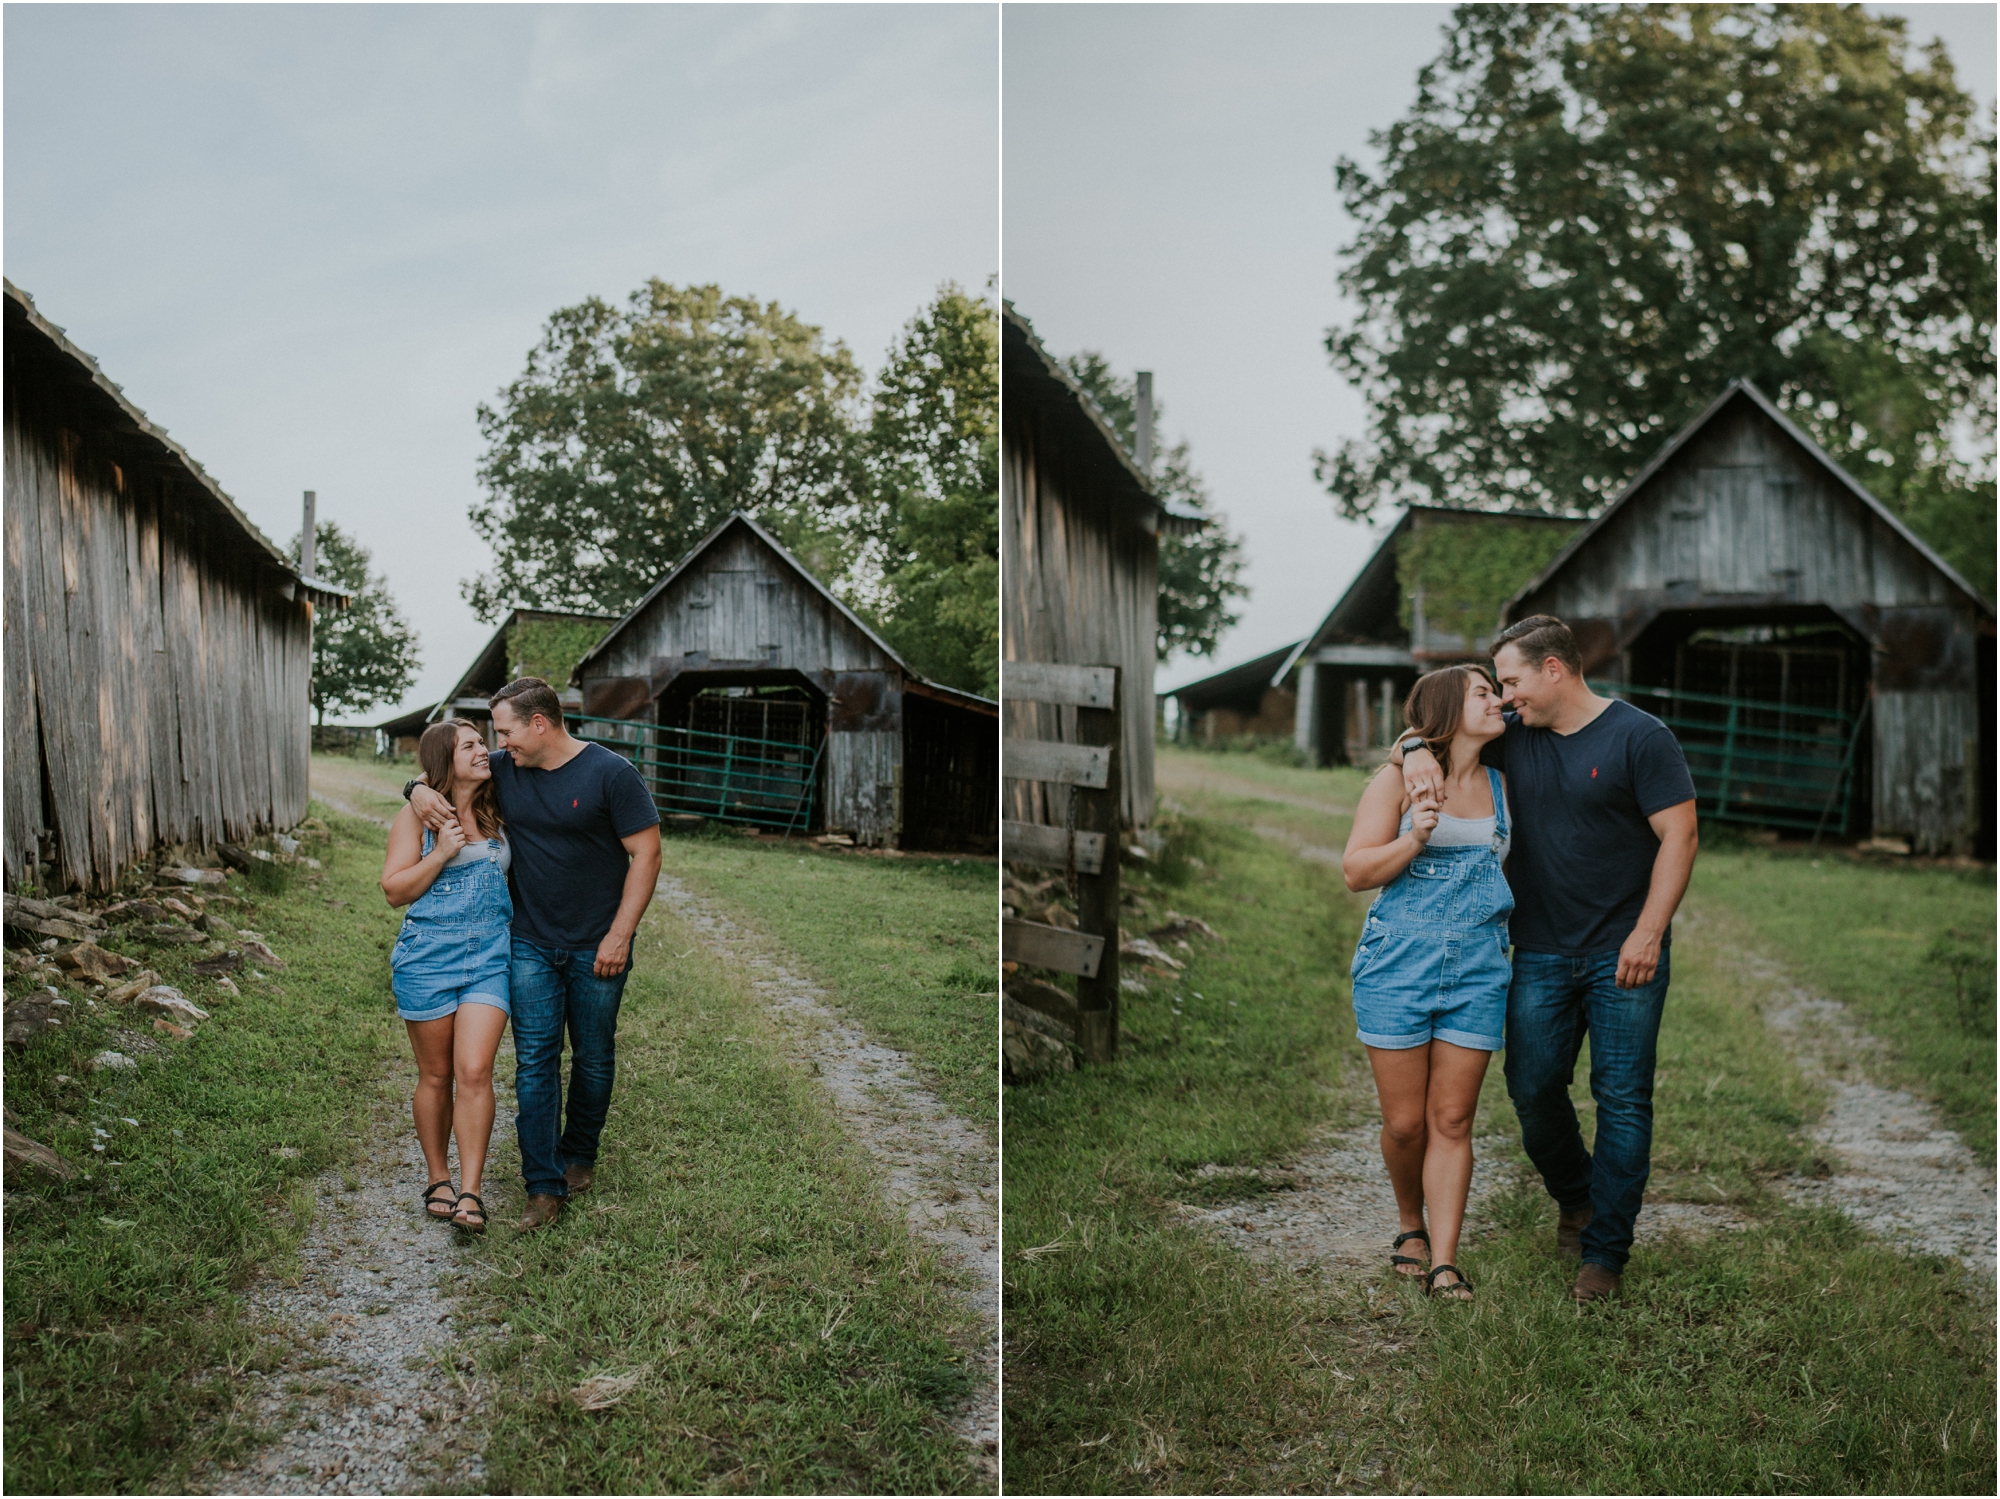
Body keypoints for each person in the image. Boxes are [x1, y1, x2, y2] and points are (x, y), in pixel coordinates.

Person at [1397, 616, 1698, 1302]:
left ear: (1554, 669)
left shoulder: (1640, 737)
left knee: (1622, 1099)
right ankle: (1578, 1196)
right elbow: (1441, 727)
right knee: (1533, 1088)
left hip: (1626, 948)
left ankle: (1604, 1256)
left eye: (1512, 679)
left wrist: (1648, 932)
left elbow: (1679, 834)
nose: (1503, 696)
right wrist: (1415, 745)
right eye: (1497, 685)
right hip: (1536, 949)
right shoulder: (1514, 740)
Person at [408, 678, 662, 1232]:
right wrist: (413, 788)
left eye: (505, 731)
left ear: (539, 724)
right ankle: (542, 1186)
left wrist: (620, 934)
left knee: (593, 1057)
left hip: (599, 943)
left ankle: (579, 1156)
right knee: (535, 1064)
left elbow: (646, 853)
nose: (499, 744)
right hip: (526, 942)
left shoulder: (612, 775)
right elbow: (443, 771)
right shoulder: (506, 767)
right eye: (494, 736)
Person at [1343, 665, 1513, 1301]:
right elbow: (1357, 871)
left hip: (1479, 969)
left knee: (1453, 1119)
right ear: (1447, 707)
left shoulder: (1503, 779)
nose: (1498, 700)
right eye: (1482, 693)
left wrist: (1410, 741)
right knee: (1407, 1124)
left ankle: (1445, 1261)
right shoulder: (1396, 781)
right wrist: (1415, 835)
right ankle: (1408, 1224)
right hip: (1398, 967)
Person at [381, 719, 513, 1233]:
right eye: (472, 745)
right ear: (445, 758)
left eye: (485, 740)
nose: (486, 749)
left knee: (475, 1070)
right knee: (436, 1075)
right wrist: (439, 853)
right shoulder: (413, 821)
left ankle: (471, 1191)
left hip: (490, 957)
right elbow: (394, 891)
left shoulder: (497, 806)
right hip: (427, 957)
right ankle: (439, 1177)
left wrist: (415, 785)